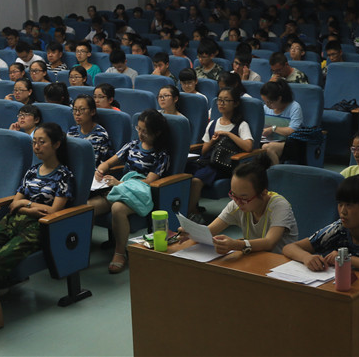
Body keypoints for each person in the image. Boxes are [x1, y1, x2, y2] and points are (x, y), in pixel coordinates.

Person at [283, 174, 359, 351]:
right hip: (348, 298)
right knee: (311, 325)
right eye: (340, 204)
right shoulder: (339, 229)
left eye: (350, 205)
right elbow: (290, 247)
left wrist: (347, 259)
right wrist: (306, 257)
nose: (343, 211)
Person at [0, 123, 74, 293]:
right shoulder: (32, 171)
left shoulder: (64, 176)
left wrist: (25, 204)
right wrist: (29, 208)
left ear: (56, 144)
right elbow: (14, 203)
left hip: (38, 227)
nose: (36, 147)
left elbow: (53, 211)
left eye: (42, 142)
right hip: (14, 219)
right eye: (34, 142)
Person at [91, 109, 171, 274]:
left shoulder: (161, 154)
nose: (140, 134)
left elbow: (149, 181)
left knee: (117, 208)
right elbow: (108, 163)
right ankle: (82, 249)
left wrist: (119, 183)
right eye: (138, 129)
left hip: (140, 192)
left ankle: (120, 252)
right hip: (122, 187)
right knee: (88, 207)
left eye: (145, 131)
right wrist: (100, 171)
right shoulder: (132, 145)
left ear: (156, 133)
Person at [180, 153, 298, 254]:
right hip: (256, 257)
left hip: (280, 263)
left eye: (244, 198)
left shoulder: (279, 206)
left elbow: (269, 243)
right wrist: (191, 232)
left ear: (263, 193)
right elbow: (209, 231)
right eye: (233, 194)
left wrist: (237, 245)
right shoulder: (237, 203)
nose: (237, 202)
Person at [187, 87, 253, 216]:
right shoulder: (213, 123)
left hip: (222, 165)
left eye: (226, 100)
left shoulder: (241, 124)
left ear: (235, 103)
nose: (221, 103)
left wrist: (228, 134)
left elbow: (248, 146)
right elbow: (204, 151)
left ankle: (191, 213)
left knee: (196, 180)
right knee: (183, 171)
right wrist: (212, 141)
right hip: (207, 161)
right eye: (219, 100)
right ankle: (190, 207)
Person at [260, 79, 303, 165]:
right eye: (265, 102)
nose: (267, 105)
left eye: (269, 102)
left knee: (268, 148)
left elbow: (292, 130)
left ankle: (276, 172)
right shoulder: (266, 108)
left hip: (289, 143)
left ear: (279, 98)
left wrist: (273, 129)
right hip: (267, 140)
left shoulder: (294, 107)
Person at [68, 95, 112, 166]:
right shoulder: (72, 131)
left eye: (82, 109)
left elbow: (102, 164)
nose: (77, 113)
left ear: (92, 112)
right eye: (75, 109)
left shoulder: (101, 135)